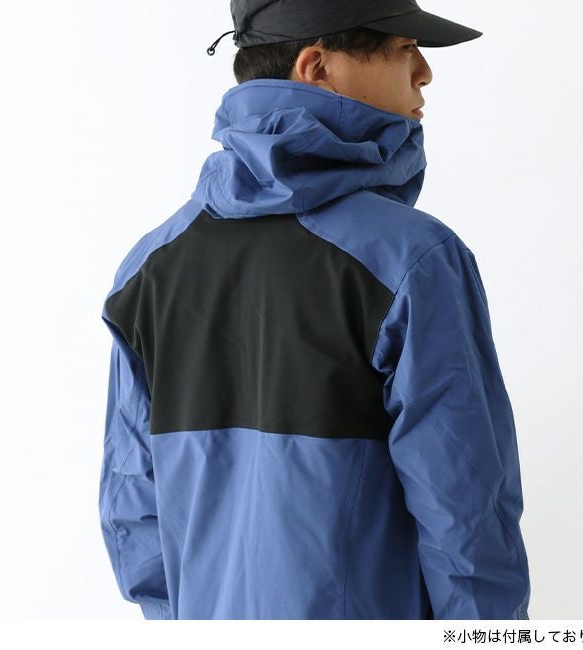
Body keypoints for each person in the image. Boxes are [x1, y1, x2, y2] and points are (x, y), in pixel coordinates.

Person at [98, 0, 531, 620]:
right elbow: (464, 512)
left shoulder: (150, 265)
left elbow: (133, 507)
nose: (425, 73)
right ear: (318, 67)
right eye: (405, 48)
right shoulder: (412, 259)